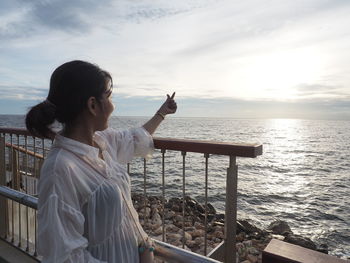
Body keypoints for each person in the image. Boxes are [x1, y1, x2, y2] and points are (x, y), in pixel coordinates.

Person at [25, 60, 177, 263]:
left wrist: (161, 113)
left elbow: (133, 138)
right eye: (109, 96)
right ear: (93, 105)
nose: (113, 105)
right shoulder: (60, 168)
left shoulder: (101, 141)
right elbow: (64, 256)